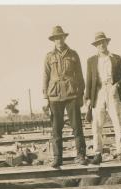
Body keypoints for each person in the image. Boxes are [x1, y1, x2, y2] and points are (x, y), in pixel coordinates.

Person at [42, 26, 87, 168]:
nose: (59, 40)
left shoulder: (73, 54)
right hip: (54, 96)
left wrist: (80, 95)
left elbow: (80, 76)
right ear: (53, 40)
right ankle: (57, 157)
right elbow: (45, 77)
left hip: (71, 94)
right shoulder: (49, 56)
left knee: (77, 127)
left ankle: (80, 155)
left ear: (64, 38)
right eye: (56, 38)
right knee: (56, 128)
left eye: (61, 37)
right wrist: (45, 98)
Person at [84, 32, 121, 164]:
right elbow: (88, 80)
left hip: (112, 90)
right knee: (97, 125)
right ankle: (97, 153)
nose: (101, 45)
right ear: (96, 46)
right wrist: (87, 98)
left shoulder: (116, 58)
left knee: (117, 122)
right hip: (98, 93)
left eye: (103, 42)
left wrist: (117, 85)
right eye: (98, 43)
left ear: (107, 43)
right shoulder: (91, 60)